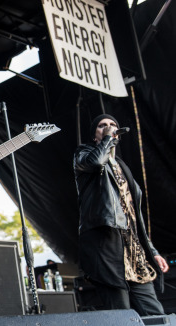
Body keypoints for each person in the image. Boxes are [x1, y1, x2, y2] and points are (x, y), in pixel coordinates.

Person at [73, 114, 169, 316]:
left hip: (133, 249)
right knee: (121, 314)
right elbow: (96, 162)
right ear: (95, 136)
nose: (108, 127)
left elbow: (134, 215)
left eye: (112, 125)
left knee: (155, 312)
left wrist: (152, 250)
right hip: (107, 248)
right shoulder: (83, 154)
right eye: (102, 126)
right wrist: (107, 139)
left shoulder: (122, 167)